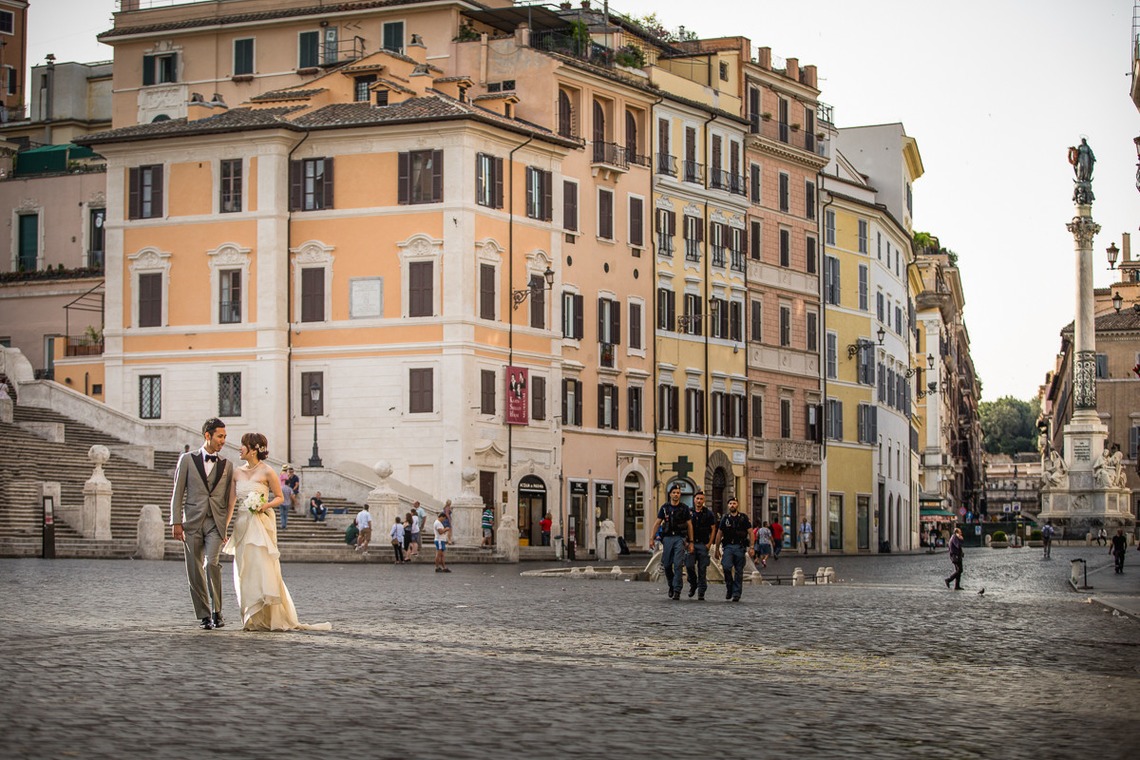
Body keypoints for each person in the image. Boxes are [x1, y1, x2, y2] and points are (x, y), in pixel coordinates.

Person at [221, 432, 330, 632]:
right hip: (242, 524)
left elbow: (280, 497)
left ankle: (269, 614)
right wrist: (225, 528)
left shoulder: (267, 471)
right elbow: (231, 503)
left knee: (261, 568)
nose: (239, 448)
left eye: (243, 445)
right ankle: (251, 616)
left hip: (260, 525)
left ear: (253, 449)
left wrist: (264, 505)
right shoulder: (236, 472)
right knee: (244, 570)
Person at [169, 418, 236, 630]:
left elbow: (228, 499)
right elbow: (177, 493)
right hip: (191, 522)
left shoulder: (227, 465)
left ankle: (218, 611)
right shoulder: (187, 460)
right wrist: (176, 522)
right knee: (194, 570)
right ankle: (204, 615)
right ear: (207, 435)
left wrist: (224, 526)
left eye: (224, 437)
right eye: (220, 436)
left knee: (211, 564)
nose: (223, 441)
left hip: (215, 524)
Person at [648, 485, 693, 601]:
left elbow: (689, 525)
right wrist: (651, 538)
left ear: (680, 495)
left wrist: (691, 541)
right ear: (670, 494)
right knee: (667, 565)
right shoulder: (665, 508)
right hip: (667, 538)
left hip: (680, 538)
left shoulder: (684, 508)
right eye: (674, 492)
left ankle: (677, 590)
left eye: (678, 492)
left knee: (678, 564)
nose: (676, 494)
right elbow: (657, 523)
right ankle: (671, 585)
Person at [717, 497, 751, 603]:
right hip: (728, 547)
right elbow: (719, 533)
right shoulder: (725, 518)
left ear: (737, 505)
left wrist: (753, 546)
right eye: (730, 503)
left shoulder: (743, 518)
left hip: (740, 547)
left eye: (734, 503)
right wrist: (717, 548)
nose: (732, 505)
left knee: (739, 571)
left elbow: (751, 532)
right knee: (726, 567)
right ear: (728, 505)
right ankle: (729, 587)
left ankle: (736, 593)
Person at [684, 490, 717, 600]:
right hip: (690, 544)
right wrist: (686, 542)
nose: (699, 501)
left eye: (701, 499)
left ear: (704, 500)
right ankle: (693, 584)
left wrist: (709, 544)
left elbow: (713, 529)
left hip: (703, 544)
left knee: (702, 569)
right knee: (689, 566)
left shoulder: (708, 513)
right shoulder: (688, 512)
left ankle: (701, 591)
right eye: (697, 499)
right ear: (694, 500)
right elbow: (684, 528)